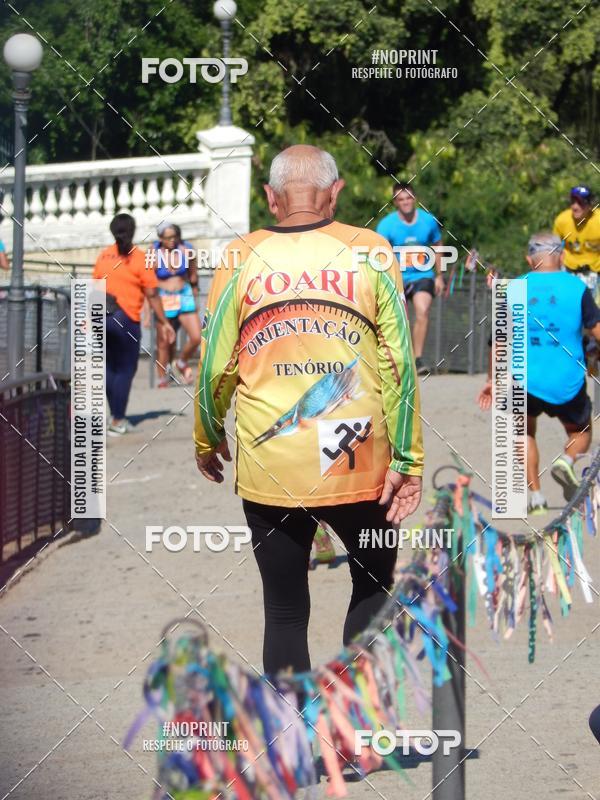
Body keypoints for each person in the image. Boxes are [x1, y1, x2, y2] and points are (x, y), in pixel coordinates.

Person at [194, 144, 424, 675]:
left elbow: (216, 367)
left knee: (284, 610)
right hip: (358, 456)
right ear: (335, 192)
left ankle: (289, 728)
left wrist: (207, 437)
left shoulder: (240, 256)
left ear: (271, 197)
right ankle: (354, 716)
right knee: (372, 586)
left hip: (272, 459)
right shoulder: (372, 250)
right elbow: (398, 365)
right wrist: (408, 459)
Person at [478, 232, 600, 514]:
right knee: (581, 431)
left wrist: (491, 380)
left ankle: (536, 497)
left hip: (523, 379)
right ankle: (567, 461)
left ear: (529, 259)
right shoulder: (577, 288)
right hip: (566, 381)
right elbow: (596, 330)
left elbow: (498, 342)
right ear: (563, 256)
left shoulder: (514, 288)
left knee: (524, 432)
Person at [93, 213, 175, 436]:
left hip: (101, 316)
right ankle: (118, 419)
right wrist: (164, 322)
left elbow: (95, 288)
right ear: (133, 231)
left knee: (110, 367)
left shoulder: (103, 256)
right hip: (125, 320)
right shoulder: (139, 259)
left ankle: (115, 415)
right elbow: (152, 295)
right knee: (126, 369)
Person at [376, 182, 444, 376]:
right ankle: (395, 358)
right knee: (396, 319)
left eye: (408, 198)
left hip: (423, 275)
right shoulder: (386, 225)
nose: (405, 202)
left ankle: (417, 359)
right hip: (396, 277)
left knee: (423, 310)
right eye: (401, 199)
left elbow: (438, 245)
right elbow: (378, 253)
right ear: (395, 202)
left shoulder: (428, 221)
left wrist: (440, 276)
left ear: (414, 199)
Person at [151, 221, 201, 387]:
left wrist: (195, 293)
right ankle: (162, 377)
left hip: (184, 294)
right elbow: (148, 281)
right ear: (160, 238)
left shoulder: (186, 249)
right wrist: (147, 308)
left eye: (174, 237)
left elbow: (193, 274)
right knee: (165, 341)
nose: (172, 240)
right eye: (168, 237)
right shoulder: (153, 252)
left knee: (196, 336)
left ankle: (181, 361)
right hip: (163, 296)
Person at [553, 185, 600, 297]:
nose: (575, 207)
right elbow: (553, 249)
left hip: (595, 272)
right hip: (568, 269)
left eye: (580, 203)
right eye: (572, 202)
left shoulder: (598, 220)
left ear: (590, 205)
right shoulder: (562, 220)